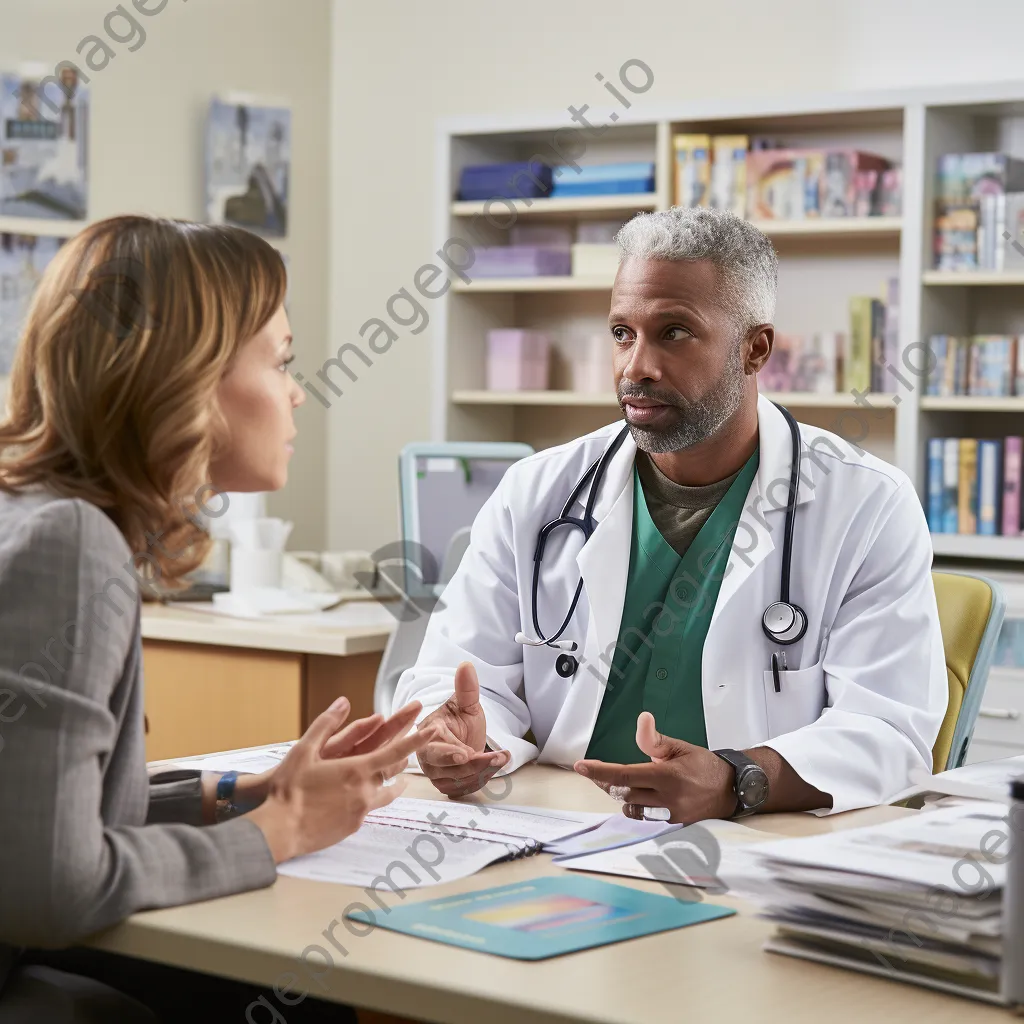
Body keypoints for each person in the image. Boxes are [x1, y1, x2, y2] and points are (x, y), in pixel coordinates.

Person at [0, 216, 434, 1022]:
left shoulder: (39, 514)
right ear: (187, 379)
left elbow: (33, 807)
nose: (299, 390)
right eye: (282, 361)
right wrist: (282, 829)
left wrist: (246, 791)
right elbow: (46, 888)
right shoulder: (69, 544)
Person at [395, 205, 947, 822]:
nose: (636, 367)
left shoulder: (866, 504)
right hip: (553, 826)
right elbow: (459, 681)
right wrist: (462, 737)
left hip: (756, 844)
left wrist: (738, 779)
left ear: (755, 348)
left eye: (674, 333)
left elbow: (890, 731)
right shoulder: (536, 493)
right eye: (622, 333)